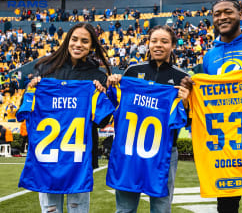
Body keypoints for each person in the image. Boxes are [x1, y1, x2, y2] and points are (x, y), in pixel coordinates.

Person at [181, 0, 242, 213]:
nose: (222, 17)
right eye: (217, 14)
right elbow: (209, 97)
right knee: (225, 207)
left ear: (240, 14)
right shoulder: (210, 56)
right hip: (223, 144)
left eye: (228, 12)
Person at [27, 22, 112, 213]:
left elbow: (103, 121)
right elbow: (30, 113)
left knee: (78, 210)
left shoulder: (96, 76)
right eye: (74, 39)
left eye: (84, 41)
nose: (78, 44)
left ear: (91, 46)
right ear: (67, 41)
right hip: (48, 154)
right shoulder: (45, 68)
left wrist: (102, 95)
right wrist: (33, 89)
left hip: (79, 157)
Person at [107, 25, 190, 213]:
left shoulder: (182, 77)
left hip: (165, 151)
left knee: (161, 208)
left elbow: (188, 121)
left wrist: (185, 103)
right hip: (130, 148)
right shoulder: (133, 72)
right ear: (148, 44)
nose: (158, 45)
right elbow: (116, 106)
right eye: (154, 41)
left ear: (173, 46)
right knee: (125, 208)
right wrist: (112, 83)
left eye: (164, 41)